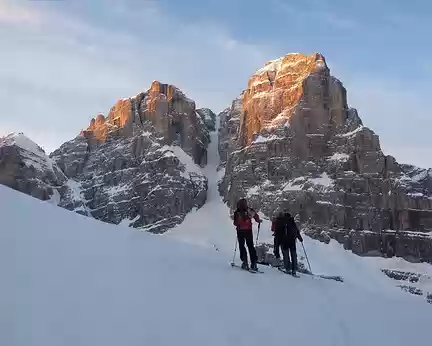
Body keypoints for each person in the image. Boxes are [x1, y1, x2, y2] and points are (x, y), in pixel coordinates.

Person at [233, 198, 262, 271]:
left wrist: (239, 224)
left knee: (242, 246)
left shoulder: (237, 212)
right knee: (250, 246)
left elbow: (235, 223)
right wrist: (258, 221)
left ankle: (245, 262)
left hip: (240, 232)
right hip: (248, 231)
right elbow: (256, 216)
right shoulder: (249, 210)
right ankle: (254, 263)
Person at [271, 211, 303, 275]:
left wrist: (277, 244)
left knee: (286, 256)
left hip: (284, 241)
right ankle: (294, 270)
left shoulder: (281, 222)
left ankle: (287, 269)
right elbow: (296, 231)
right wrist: (300, 239)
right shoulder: (292, 221)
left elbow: (277, 233)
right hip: (292, 241)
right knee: (293, 255)